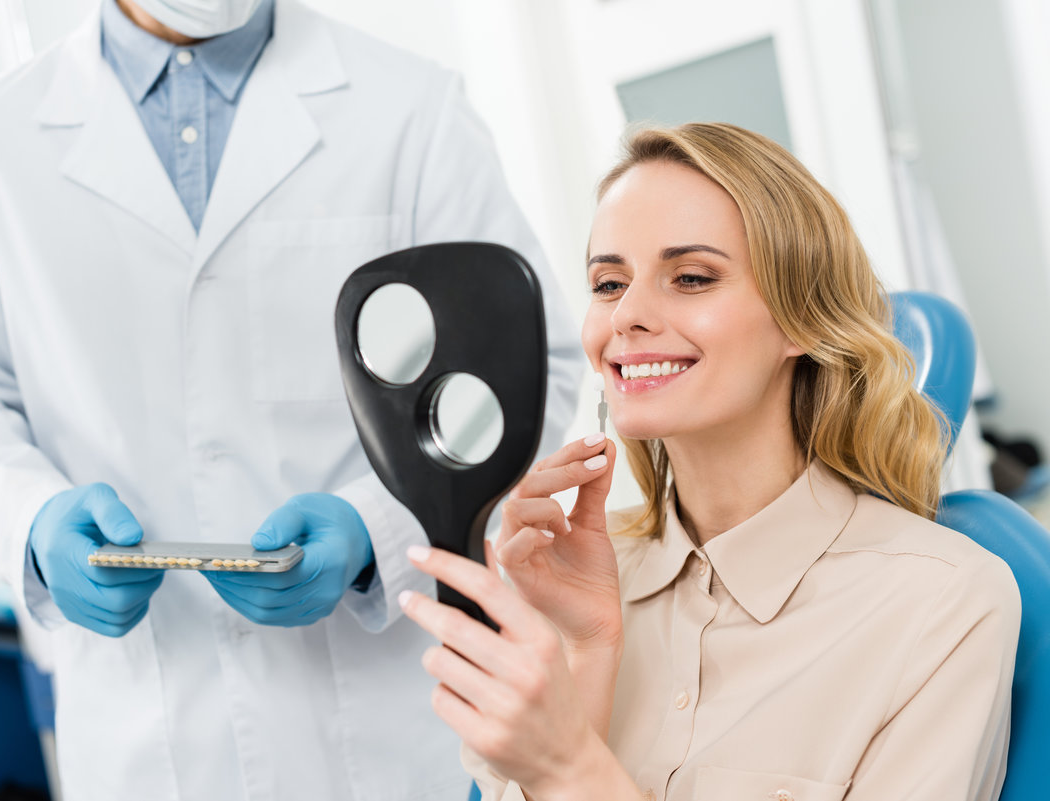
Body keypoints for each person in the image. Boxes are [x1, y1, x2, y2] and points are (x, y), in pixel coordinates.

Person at [0, 1, 584, 799]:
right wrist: (32, 523)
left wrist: (378, 527)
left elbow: (525, 364)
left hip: (383, 730)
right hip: (146, 734)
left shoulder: (409, 105)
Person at [400, 123, 1021, 801]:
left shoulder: (944, 603)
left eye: (691, 277)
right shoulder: (560, 583)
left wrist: (569, 768)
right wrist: (589, 653)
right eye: (608, 283)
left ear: (802, 321)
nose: (627, 314)